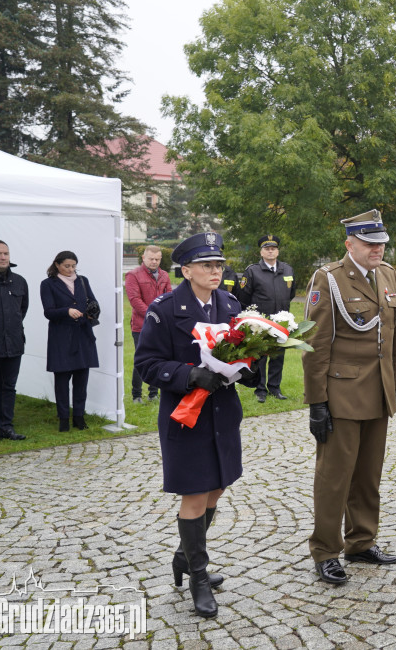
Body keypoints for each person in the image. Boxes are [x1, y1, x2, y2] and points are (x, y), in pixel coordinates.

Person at [134, 232, 257, 619]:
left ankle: (183, 557)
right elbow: (147, 364)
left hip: (222, 413)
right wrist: (189, 375)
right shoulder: (166, 308)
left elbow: (243, 349)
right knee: (195, 494)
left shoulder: (230, 302)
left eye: (219, 264)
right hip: (185, 417)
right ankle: (198, 578)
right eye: (207, 265)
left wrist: (250, 368)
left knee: (217, 487)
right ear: (186, 271)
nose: (216, 271)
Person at [303, 209, 396, 586]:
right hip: (342, 394)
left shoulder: (389, 274)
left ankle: (361, 541)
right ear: (350, 244)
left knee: (368, 475)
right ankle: (326, 551)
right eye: (369, 243)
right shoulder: (328, 279)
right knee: (334, 478)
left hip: (378, 392)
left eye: (380, 243)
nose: (377, 249)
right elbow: (315, 344)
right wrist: (317, 402)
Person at [40, 251, 101, 432]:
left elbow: (93, 302)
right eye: (67, 266)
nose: (71, 269)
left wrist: (93, 310)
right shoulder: (48, 284)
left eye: (73, 266)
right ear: (57, 265)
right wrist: (66, 311)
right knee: (62, 380)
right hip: (61, 337)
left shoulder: (83, 280)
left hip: (83, 335)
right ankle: (64, 419)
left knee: (82, 380)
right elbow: (48, 311)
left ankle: (79, 417)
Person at [237, 235, 295, 402]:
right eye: (267, 248)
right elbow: (244, 296)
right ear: (261, 252)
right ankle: (260, 389)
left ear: (278, 251)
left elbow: (290, 293)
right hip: (261, 322)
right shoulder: (252, 271)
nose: (271, 251)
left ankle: (275, 388)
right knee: (260, 357)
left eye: (273, 248)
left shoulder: (287, 269)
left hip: (281, 322)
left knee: (278, 355)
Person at [0, 240, 29, 445]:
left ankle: (6, 427)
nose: (3, 257)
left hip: (13, 345)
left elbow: (22, 310)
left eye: (6, 253)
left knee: (9, 388)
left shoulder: (19, 281)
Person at [125, 245, 172, 403]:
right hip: (140, 325)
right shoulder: (133, 275)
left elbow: (169, 297)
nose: (154, 262)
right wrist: (152, 315)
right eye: (151, 259)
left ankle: (153, 393)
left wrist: (164, 317)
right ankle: (136, 395)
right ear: (143, 258)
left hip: (161, 325)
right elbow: (134, 300)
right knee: (141, 360)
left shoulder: (164, 275)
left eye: (157, 259)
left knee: (158, 359)